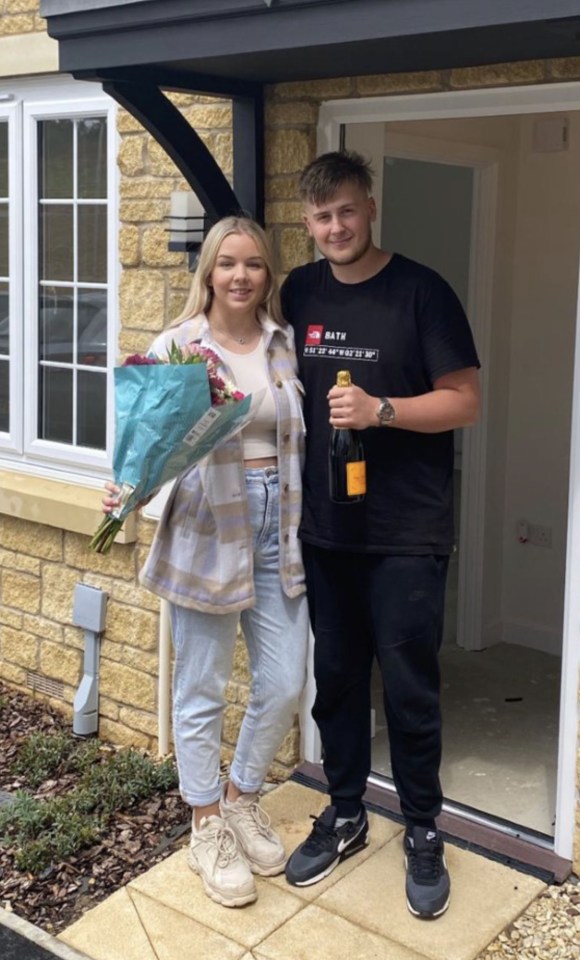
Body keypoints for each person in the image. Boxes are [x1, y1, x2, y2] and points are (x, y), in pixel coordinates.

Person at [281, 151, 481, 919]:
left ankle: (423, 829)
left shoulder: (422, 292)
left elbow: (465, 401)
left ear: (371, 208)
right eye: (322, 216)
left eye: (348, 211)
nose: (336, 227)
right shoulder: (300, 291)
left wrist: (381, 411)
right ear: (309, 224)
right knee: (334, 682)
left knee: (408, 686)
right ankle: (345, 811)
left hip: (406, 530)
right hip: (326, 529)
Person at [103, 216, 308, 909]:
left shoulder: (282, 344)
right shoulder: (180, 346)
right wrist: (127, 487)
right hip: (206, 525)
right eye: (228, 264)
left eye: (254, 264)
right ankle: (205, 825)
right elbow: (148, 442)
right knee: (202, 688)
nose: (241, 276)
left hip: (277, 523)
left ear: (267, 274)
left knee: (284, 680)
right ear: (210, 273)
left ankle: (241, 794)